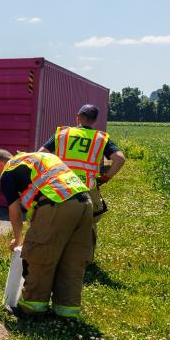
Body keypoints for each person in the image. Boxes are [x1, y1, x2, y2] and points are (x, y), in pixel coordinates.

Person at [0, 148, 93, 319]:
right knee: (72, 262)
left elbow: (14, 210)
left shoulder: (8, 170)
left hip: (58, 202)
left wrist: (18, 239)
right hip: (85, 203)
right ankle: (66, 312)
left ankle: (32, 309)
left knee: (39, 257)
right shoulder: (39, 157)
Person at [40, 104, 125, 254]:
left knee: (59, 222)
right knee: (89, 222)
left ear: (77, 117)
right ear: (94, 121)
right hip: (87, 188)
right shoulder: (100, 138)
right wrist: (105, 177)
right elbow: (120, 159)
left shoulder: (62, 134)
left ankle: (58, 255)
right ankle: (86, 258)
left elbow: (41, 155)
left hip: (63, 186)